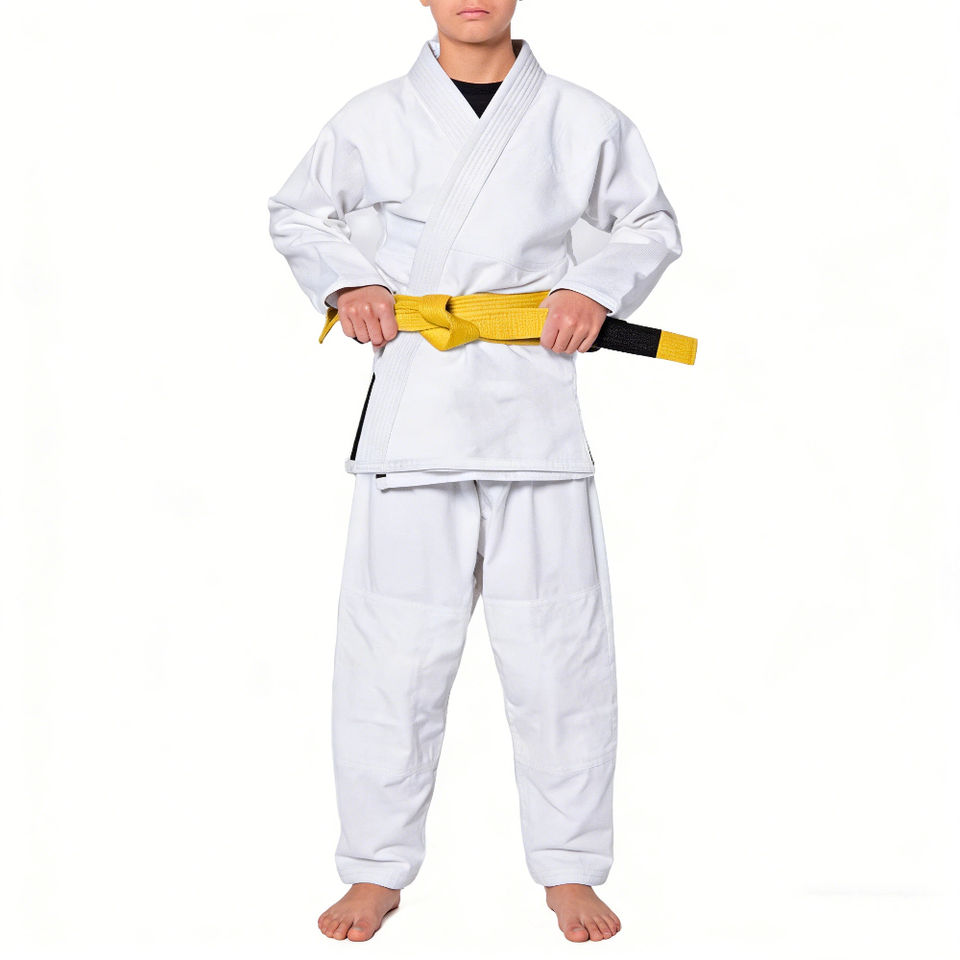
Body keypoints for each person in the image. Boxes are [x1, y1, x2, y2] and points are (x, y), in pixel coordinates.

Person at [266, 0, 682, 943]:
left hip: (535, 418)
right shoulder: (374, 116)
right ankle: (374, 867)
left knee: (561, 654)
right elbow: (296, 211)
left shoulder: (581, 119)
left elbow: (650, 221)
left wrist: (591, 287)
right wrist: (349, 280)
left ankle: (570, 866)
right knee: (392, 657)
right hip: (415, 418)